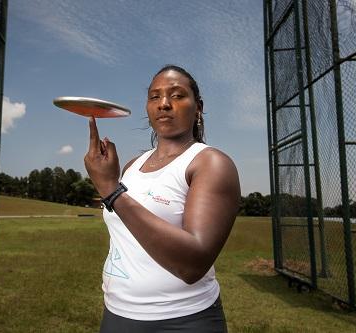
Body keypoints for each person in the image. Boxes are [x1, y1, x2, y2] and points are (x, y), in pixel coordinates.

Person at [84, 65, 241, 333]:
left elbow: (193, 264)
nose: (164, 104)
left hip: (183, 320)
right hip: (117, 314)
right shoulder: (132, 165)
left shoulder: (211, 163)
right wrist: (114, 187)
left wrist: (111, 191)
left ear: (198, 106)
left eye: (177, 95)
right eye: (154, 97)